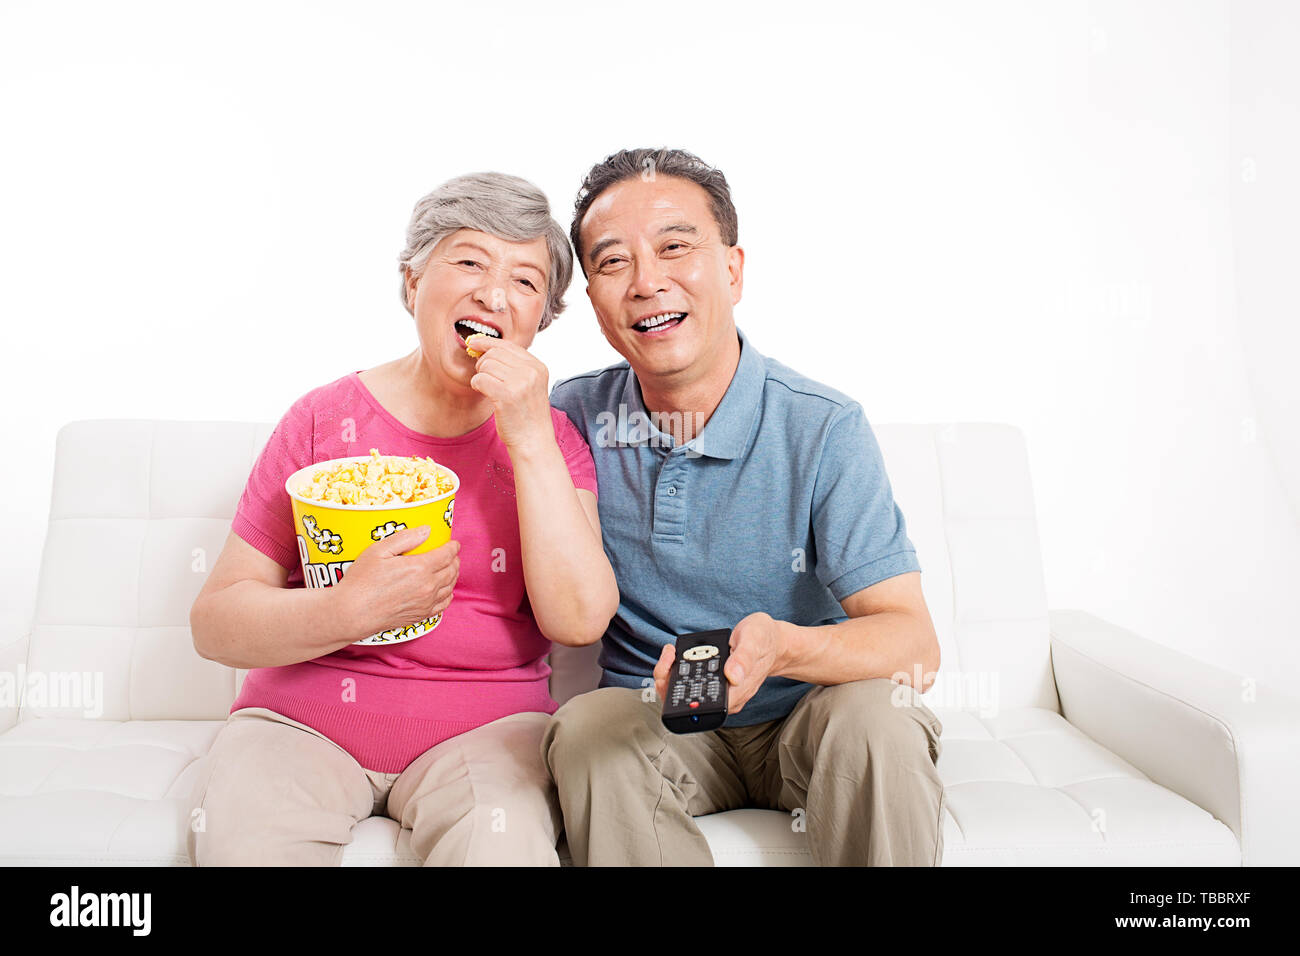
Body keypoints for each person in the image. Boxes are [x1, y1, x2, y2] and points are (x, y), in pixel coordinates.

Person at [187, 172, 617, 866]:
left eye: (526, 281)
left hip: (489, 734)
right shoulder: (323, 420)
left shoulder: (553, 440)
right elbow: (215, 623)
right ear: (412, 280)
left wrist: (529, 435)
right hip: (300, 726)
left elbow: (578, 621)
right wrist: (345, 612)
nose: (494, 293)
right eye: (470, 261)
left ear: (541, 318)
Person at [542, 148, 946, 866]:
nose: (646, 282)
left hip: (811, 717)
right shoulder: (568, 419)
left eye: (674, 247)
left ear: (731, 269)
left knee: (882, 718)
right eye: (612, 263)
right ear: (592, 301)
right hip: (657, 722)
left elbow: (913, 645)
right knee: (585, 731)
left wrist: (783, 647)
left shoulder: (823, 426)